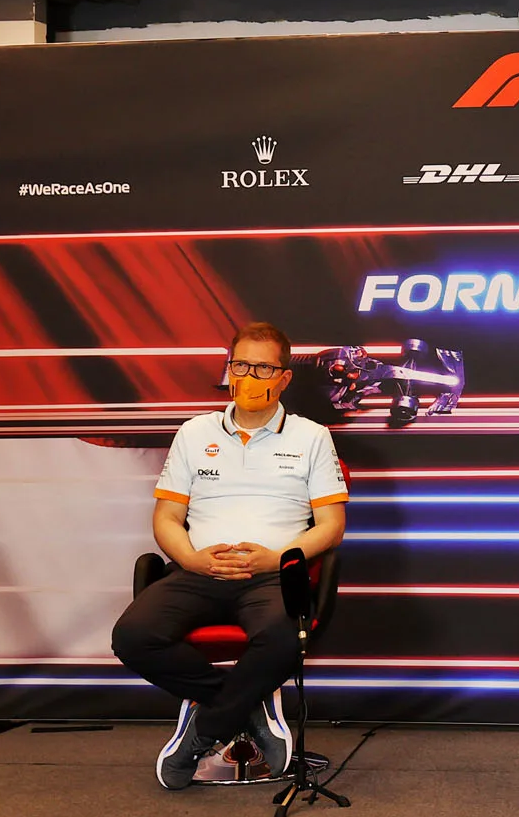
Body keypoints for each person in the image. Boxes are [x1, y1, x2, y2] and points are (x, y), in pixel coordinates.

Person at [111, 322, 349, 790]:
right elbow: (166, 518)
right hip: (200, 570)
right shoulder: (194, 433)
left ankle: (202, 731)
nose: (249, 377)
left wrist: (276, 559)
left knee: (285, 637)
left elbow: (331, 526)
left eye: (263, 368)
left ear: (284, 378)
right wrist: (191, 559)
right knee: (132, 637)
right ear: (229, 370)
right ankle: (249, 708)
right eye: (241, 365)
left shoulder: (312, 437)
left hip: (272, 575)